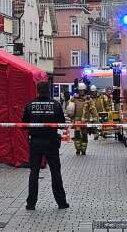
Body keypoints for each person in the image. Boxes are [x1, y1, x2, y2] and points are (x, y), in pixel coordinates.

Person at [22, 81, 69, 210]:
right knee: (55, 172)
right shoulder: (56, 105)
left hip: (36, 142)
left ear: (37, 90)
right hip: (51, 142)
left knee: (34, 173)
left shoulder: (30, 105)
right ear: (48, 90)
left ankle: (31, 204)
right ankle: (61, 202)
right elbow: (62, 124)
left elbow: (24, 125)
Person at [72, 83, 97, 155]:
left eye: (82, 90)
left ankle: (83, 150)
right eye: (79, 90)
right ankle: (77, 149)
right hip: (77, 121)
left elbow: (93, 109)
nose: (81, 92)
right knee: (77, 135)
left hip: (85, 121)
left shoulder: (89, 100)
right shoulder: (74, 99)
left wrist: (95, 119)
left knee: (84, 135)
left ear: (85, 91)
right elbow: (69, 108)